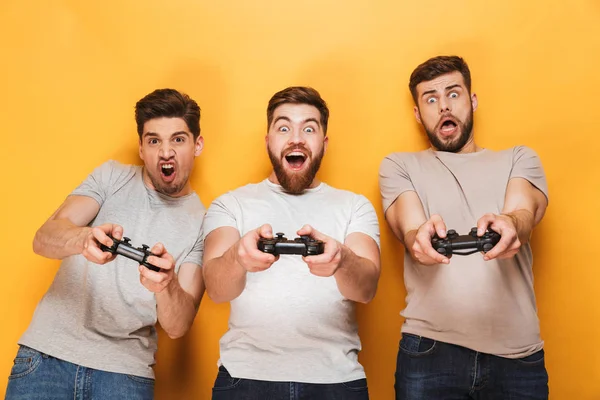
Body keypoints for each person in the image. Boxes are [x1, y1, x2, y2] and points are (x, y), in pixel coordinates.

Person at [5, 88, 206, 399]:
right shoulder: (111, 176)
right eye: (154, 141)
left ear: (197, 145)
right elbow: (43, 239)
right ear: (141, 148)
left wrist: (167, 284)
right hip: (46, 359)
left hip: (124, 375)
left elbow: (178, 326)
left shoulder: (203, 224)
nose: (166, 152)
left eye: (178, 139)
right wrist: (83, 238)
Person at [379, 55, 549, 399]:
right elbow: (409, 227)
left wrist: (511, 223)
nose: (443, 106)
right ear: (417, 113)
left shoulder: (519, 158)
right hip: (430, 352)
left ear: (472, 101)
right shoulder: (399, 165)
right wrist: (419, 239)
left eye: (453, 94)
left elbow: (523, 212)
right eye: (430, 99)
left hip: (518, 356)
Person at [202, 86, 381, 399]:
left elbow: (366, 289)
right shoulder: (230, 204)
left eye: (308, 129)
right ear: (268, 140)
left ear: (323, 143)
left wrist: (341, 259)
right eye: (283, 128)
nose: (296, 139)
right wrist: (239, 257)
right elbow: (217, 290)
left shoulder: (355, 206)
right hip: (245, 379)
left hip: (336, 381)